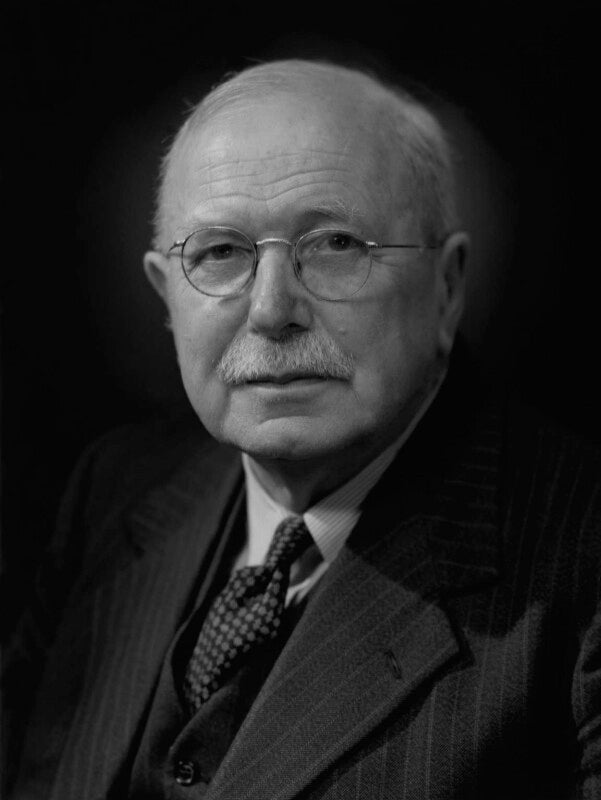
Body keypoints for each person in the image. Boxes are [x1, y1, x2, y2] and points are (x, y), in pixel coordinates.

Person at [6, 59, 600, 800]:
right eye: (220, 253)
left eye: (335, 245)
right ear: (165, 297)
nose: (270, 310)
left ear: (446, 288)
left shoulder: (580, 562)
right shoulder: (113, 492)